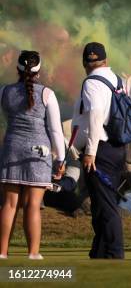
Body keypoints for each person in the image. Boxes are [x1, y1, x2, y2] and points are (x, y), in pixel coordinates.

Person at [0, 51, 65, 260]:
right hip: (39, 152)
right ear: (39, 70)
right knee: (33, 205)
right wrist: (61, 158)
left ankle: (1, 253)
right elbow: (56, 131)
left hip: (11, 149)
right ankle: (33, 253)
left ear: (17, 69)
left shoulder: (4, 91)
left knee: (9, 204)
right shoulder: (47, 93)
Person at [71, 42, 127, 259]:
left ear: (85, 63)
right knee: (102, 204)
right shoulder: (116, 79)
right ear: (106, 60)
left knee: (105, 206)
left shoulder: (92, 82)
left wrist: (90, 152)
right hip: (116, 148)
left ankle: (113, 253)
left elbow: (95, 116)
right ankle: (100, 251)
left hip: (100, 150)